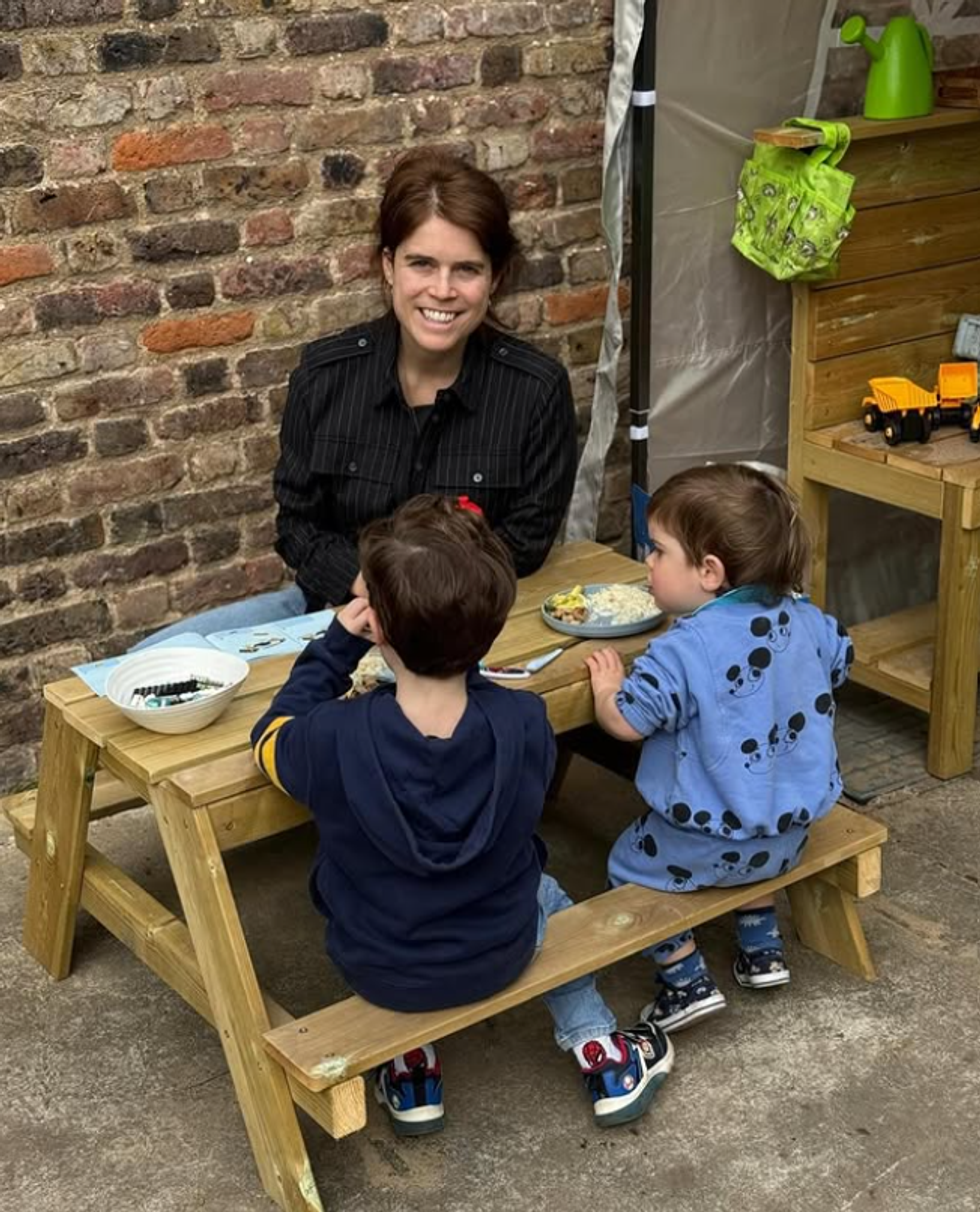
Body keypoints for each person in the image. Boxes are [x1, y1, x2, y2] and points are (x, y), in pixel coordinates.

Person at [250, 495, 673, 1136]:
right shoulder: (525, 722)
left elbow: (268, 737)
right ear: (492, 629)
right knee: (546, 890)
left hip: (379, 964)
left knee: (383, 890)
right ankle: (602, 1051)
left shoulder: (332, 737)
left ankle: (413, 1069)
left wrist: (335, 646)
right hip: (501, 948)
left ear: (379, 629)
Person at [137, 148, 577, 647]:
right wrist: (368, 588)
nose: (442, 289)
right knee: (142, 659)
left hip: (467, 628)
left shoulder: (535, 389)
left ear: (495, 277)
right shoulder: (326, 375)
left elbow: (525, 541)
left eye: (466, 270)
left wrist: (417, 604)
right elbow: (298, 524)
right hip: (336, 614)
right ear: (389, 266)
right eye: (421, 264)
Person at [585, 464, 853, 1035]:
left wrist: (608, 688)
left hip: (701, 843)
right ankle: (761, 947)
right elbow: (840, 659)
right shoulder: (808, 619)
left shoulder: (682, 649)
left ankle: (684, 980)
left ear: (709, 571)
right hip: (788, 838)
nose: (648, 563)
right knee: (747, 816)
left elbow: (627, 724)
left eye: (657, 551)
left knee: (624, 863)